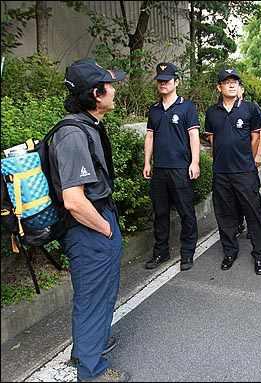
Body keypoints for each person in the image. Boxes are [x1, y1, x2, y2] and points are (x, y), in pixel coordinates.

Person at [51, 58, 129, 381]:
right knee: (93, 295)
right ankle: (92, 371)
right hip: (89, 230)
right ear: (97, 94)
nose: (114, 89)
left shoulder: (88, 125)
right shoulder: (73, 135)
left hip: (95, 224)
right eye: (109, 85)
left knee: (96, 294)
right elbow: (73, 200)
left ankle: (87, 346)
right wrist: (107, 229)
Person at [204, 68, 261, 274]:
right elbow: (212, 137)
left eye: (234, 82)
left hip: (244, 171)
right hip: (221, 172)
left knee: (253, 213)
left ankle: (259, 255)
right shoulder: (212, 112)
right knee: (225, 214)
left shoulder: (249, 109)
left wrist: (248, 159)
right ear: (219, 87)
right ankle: (229, 251)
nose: (231, 84)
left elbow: (256, 136)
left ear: (239, 86)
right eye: (226, 82)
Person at [143, 63, 200, 271]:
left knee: (186, 212)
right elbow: (150, 136)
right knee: (160, 213)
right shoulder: (154, 110)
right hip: (159, 170)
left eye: (167, 80)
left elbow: (194, 136)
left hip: (181, 169)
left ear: (176, 82)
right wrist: (147, 162)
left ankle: (187, 253)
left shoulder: (187, 107)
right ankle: (161, 252)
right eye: (160, 81)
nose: (163, 84)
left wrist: (195, 162)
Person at [236, 82, 261, 239]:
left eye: (238, 86)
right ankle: (239, 223)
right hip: (233, 163)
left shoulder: (252, 108)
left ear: (242, 90)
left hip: (249, 160)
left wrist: (258, 155)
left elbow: (258, 133)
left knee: (251, 195)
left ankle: (255, 227)